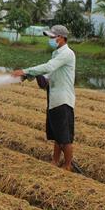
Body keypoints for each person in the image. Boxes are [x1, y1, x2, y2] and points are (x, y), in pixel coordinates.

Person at [12, 25, 76, 171]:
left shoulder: (67, 54)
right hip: (53, 98)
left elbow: (48, 67)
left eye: (53, 37)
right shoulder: (56, 54)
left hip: (63, 99)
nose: (51, 39)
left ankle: (67, 166)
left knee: (64, 137)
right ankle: (54, 162)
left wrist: (25, 70)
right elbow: (47, 76)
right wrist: (29, 76)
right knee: (56, 134)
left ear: (61, 38)